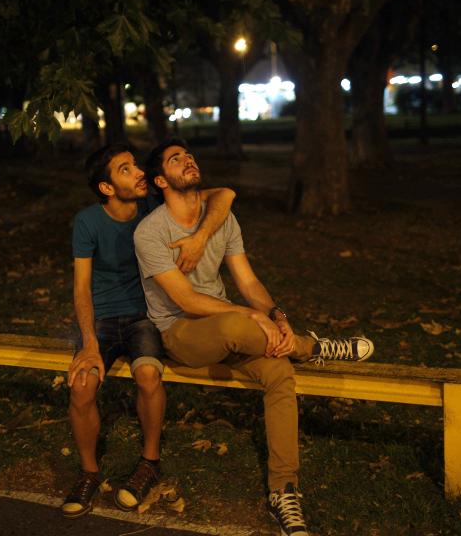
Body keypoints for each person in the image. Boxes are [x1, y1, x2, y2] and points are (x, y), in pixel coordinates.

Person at [133, 138, 373, 536]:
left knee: (279, 373)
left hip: (235, 330)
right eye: (176, 160)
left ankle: (284, 490)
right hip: (180, 332)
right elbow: (187, 300)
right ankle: (312, 347)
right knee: (236, 326)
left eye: (189, 155)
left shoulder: (220, 218)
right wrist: (252, 316)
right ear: (160, 180)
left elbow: (247, 279)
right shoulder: (150, 232)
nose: (188, 160)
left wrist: (276, 316)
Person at [61, 142, 236, 518]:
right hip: (103, 320)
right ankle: (89, 472)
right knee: (82, 385)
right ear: (107, 188)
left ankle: (149, 463)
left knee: (147, 376)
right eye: (126, 169)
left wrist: (202, 236)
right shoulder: (88, 222)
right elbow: (81, 288)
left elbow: (223, 195)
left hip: (144, 317)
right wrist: (89, 343)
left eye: (136, 165)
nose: (139, 172)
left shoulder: (153, 210)